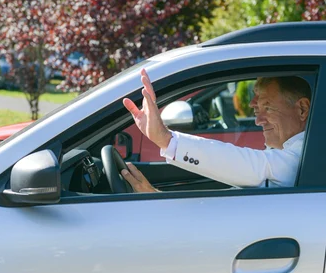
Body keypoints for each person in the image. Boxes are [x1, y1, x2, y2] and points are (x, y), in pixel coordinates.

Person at [121, 69, 311, 192]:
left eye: (267, 108)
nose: (258, 120)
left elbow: (254, 166)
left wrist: (165, 139)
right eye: (256, 110)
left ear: (302, 109)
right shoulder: (286, 154)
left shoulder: (305, 157)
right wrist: (155, 196)